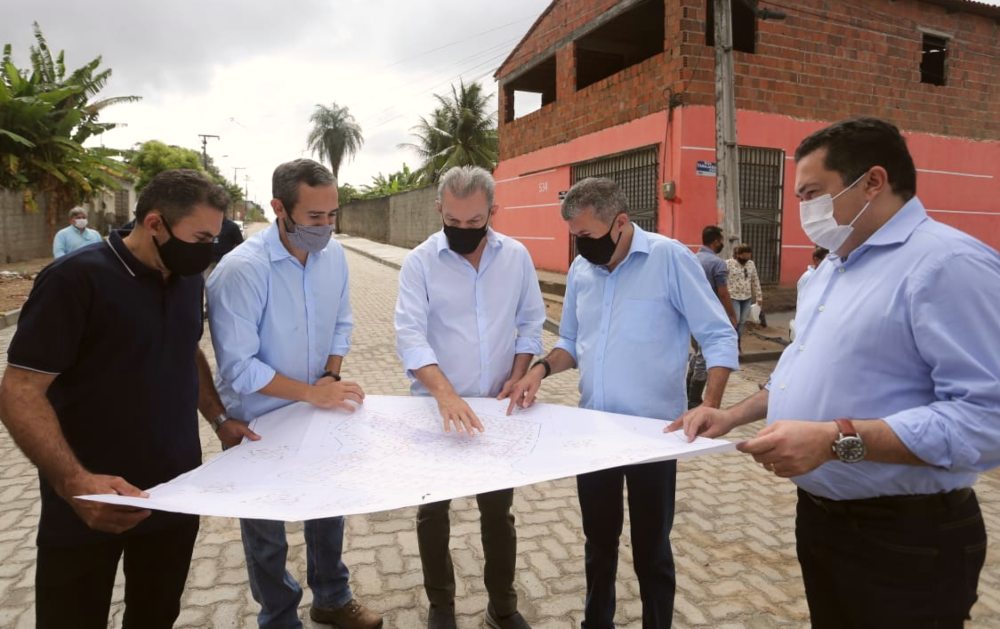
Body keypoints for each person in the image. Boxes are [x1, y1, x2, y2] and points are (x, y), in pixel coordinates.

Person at [670, 117, 1000, 628]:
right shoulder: (832, 269)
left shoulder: (947, 265)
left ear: (873, 181)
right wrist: (729, 414)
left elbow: (986, 419)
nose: (804, 211)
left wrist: (837, 439)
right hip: (824, 519)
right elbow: (800, 367)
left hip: (907, 539)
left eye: (813, 193)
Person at [0, 169, 231, 628]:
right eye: (201, 237)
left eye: (215, 238)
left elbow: (185, 348)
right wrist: (74, 484)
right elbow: (19, 390)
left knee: (156, 614)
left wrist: (220, 420)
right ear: (155, 223)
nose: (209, 250)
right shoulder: (75, 280)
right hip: (89, 503)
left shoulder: (188, 280)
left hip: (173, 495)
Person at [506, 177, 738, 629]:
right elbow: (571, 341)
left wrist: (711, 402)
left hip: (654, 436)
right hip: (593, 436)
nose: (580, 246)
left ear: (621, 223)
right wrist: (539, 369)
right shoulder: (581, 271)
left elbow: (717, 334)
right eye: (574, 236)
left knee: (652, 549)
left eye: (588, 235)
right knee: (599, 543)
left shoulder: (669, 258)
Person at [206, 158, 381, 629]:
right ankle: (280, 617)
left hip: (319, 409)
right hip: (259, 422)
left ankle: (332, 597)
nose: (326, 228)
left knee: (328, 508)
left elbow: (341, 323)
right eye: (314, 218)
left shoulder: (334, 256)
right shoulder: (241, 270)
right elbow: (240, 367)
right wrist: (310, 393)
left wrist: (329, 375)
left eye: (332, 216)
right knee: (267, 531)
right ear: (279, 208)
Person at [394, 165, 543, 629]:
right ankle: (442, 607)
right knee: (433, 513)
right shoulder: (419, 262)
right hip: (435, 410)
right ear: (440, 209)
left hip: (497, 411)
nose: (462, 231)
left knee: (498, 514)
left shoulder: (516, 257)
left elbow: (532, 323)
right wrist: (445, 394)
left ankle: (502, 606)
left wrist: (520, 376)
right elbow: (409, 335)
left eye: (473, 223)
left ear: (492, 212)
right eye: (452, 222)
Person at [687, 225, 738, 407]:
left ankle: (689, 393)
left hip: (690, 314)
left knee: (696, 352)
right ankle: (693, 399)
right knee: (703, 356)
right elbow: (723, 293)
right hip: (709, 315)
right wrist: (732, 315)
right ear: (716, 241)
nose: (722, 244)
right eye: (721, 241)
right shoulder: (717, 263)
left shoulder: (691, 258)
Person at [725, 243, 763, 343]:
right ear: (738, 254)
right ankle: (731, 341)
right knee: (735, 320)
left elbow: (755, 280)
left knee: (742, 322)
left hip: (747, 297)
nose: (747, 257)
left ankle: (738, 342)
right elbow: (723, 280)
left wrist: (759, 296)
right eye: (745, 254)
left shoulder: (751, 264)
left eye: (749, 254)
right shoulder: (728, 263)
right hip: (733, 297)